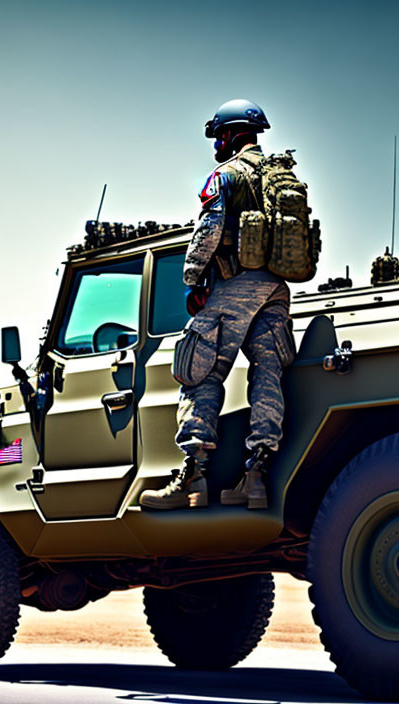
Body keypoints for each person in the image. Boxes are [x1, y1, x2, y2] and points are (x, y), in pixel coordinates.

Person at [140, 99, 295, 511]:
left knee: (200, 370)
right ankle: (256, 476)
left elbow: (208, 232)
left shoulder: (225, 176)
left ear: (228, 135)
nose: (216, 147)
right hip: (276, 289)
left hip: (233, 286)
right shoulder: (281, 175)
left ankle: (193, 478)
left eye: (218, 138)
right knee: (268, 375)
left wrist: (192, 280)